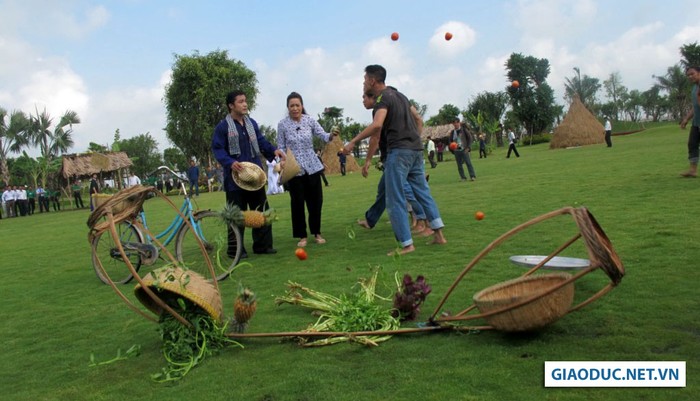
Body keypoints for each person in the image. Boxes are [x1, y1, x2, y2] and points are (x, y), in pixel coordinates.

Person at [343, 64, 446, 256]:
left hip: (399, 152)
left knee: (395, 198)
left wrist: (353, 142)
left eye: (365, 79)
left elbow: (377, 126)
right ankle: (439, 235)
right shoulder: (401, 96)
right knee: (423, 193)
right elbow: (418, 118)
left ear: (373, 81)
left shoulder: (382, 99)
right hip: (415, 150)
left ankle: (407, 244)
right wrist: (414, 136)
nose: (364, 83)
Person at [212, 90, 285, 257]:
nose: (245, 104)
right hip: (234, 179)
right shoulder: (223, 127)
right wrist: (230, 162)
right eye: (240, 101)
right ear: (231, 105)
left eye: (245, 101)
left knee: (261, 210)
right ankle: (235, 250)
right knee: (236, 214)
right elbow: (217, 148)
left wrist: (274, 151)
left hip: (255, 176)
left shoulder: (251, 123)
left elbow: (261, 142)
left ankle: (263, 246)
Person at [356, 91, 431, 235]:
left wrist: (368, 161)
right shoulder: (397, 105)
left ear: (373, 97)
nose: (363, 101)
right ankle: (371, 219)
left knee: (408, 191)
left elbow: (375, 138)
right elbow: (419, 120)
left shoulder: (383, 108)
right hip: (396, 156)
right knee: (383, 190)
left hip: (396, 157)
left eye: (364, 97)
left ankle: (424, 221)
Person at [277, 91, 339, 247]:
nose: (295, 108)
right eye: (292, 106)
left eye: (297, 105)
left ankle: (317, 233)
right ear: (288, 107)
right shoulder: (282, 125)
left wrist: (331, 135)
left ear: (302, 106)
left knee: (316, 202)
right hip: (294, 169)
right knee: (297, 203)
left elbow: (323, 135)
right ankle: (301, 236)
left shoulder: (310, 120)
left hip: (312, 167)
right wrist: (282, 160)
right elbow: (281, 147)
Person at [680, 66, 700, 178]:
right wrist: (686, 119)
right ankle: (693, 170)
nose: (690, 76)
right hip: (696, 123)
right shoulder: (694, 88)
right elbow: (695, 106)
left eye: (692, 74)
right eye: (688, 75)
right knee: (692, 144)